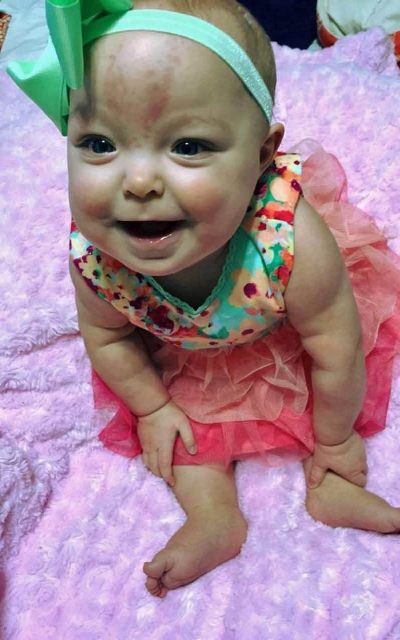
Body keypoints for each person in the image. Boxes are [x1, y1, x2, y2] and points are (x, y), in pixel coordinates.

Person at [7, 0, 400, 599]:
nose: (139, 182)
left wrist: (337, 438)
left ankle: (332, 483)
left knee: (331, 389)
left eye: (188, 146)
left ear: (262, 157)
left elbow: (334, 344)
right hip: (189, 354)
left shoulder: (287, 241)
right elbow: (108, 336)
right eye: (99, 143)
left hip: (282, 337)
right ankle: (214, 517)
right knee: (186, 432)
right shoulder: (97, 260)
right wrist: (153, 408)